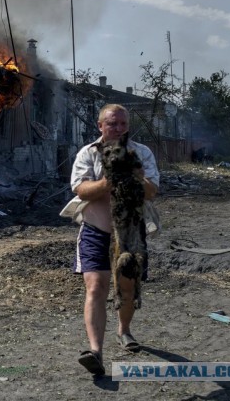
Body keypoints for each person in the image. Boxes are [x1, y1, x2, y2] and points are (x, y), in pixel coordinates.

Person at [60, 103, 159, 376]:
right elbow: (80, 188)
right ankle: (95, 352)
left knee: (127, 287)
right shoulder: (88, 153)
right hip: (94, 229)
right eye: (112, 123)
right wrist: (109, 181)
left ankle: (124, 330)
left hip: (129, 231)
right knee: (96, 287)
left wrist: (137, 177)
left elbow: (152, 191)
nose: (118, 128)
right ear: (100, 125)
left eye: (123, 124)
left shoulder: (141, 153)